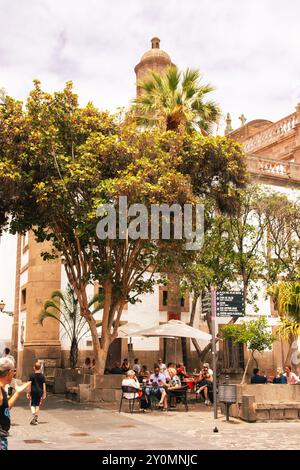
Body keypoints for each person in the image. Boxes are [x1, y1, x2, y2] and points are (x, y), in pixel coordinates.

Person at [0, 357, 30, 450]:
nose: (14, 374)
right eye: (14, 371)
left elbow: (6, 407)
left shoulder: (2, 388)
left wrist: (18, 392)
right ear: (9, 372)